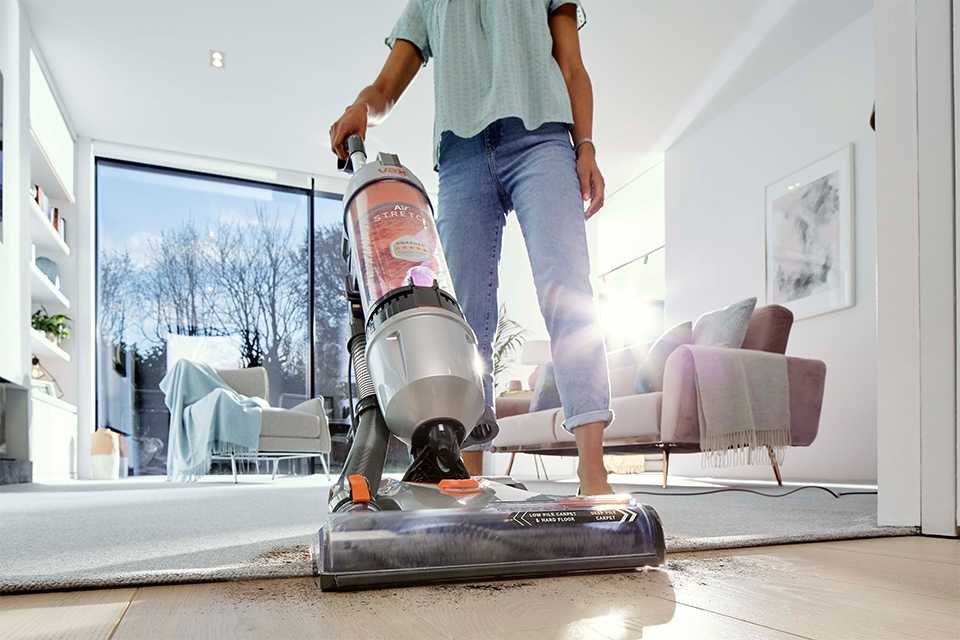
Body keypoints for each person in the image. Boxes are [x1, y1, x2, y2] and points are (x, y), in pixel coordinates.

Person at [329, 0, 613, 495]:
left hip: (541, 139)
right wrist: (361, 107)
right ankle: (467, 480)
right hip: (461, 158)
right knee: (462, 319)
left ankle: (594, 473)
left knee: (566, 289)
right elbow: (385, 90)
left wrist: (585, 145)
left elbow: (572, 65)